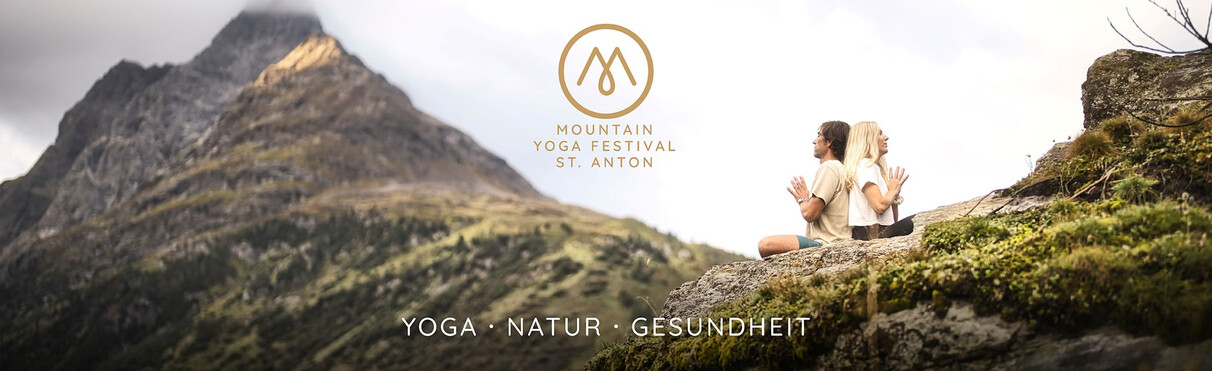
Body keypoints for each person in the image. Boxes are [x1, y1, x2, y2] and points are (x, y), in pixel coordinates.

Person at [757, 121, 851, 258]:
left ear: (829, 142)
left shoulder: (830, 167)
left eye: (819, 135)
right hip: (837, 242)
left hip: (827, 244)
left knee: (766, 245)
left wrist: (803, 200)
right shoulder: (842, 168)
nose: (814, 141)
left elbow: (810, 213)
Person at [843, 121, 914, 240]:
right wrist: (892, 191)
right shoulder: (865, 166)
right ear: (868, 139)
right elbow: (879, 206)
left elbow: (893, 220)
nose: (886, 137)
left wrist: (894, 195)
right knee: (920, 220)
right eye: (879, 134)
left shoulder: (876, 169)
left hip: (879, 230)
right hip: (869, 233)